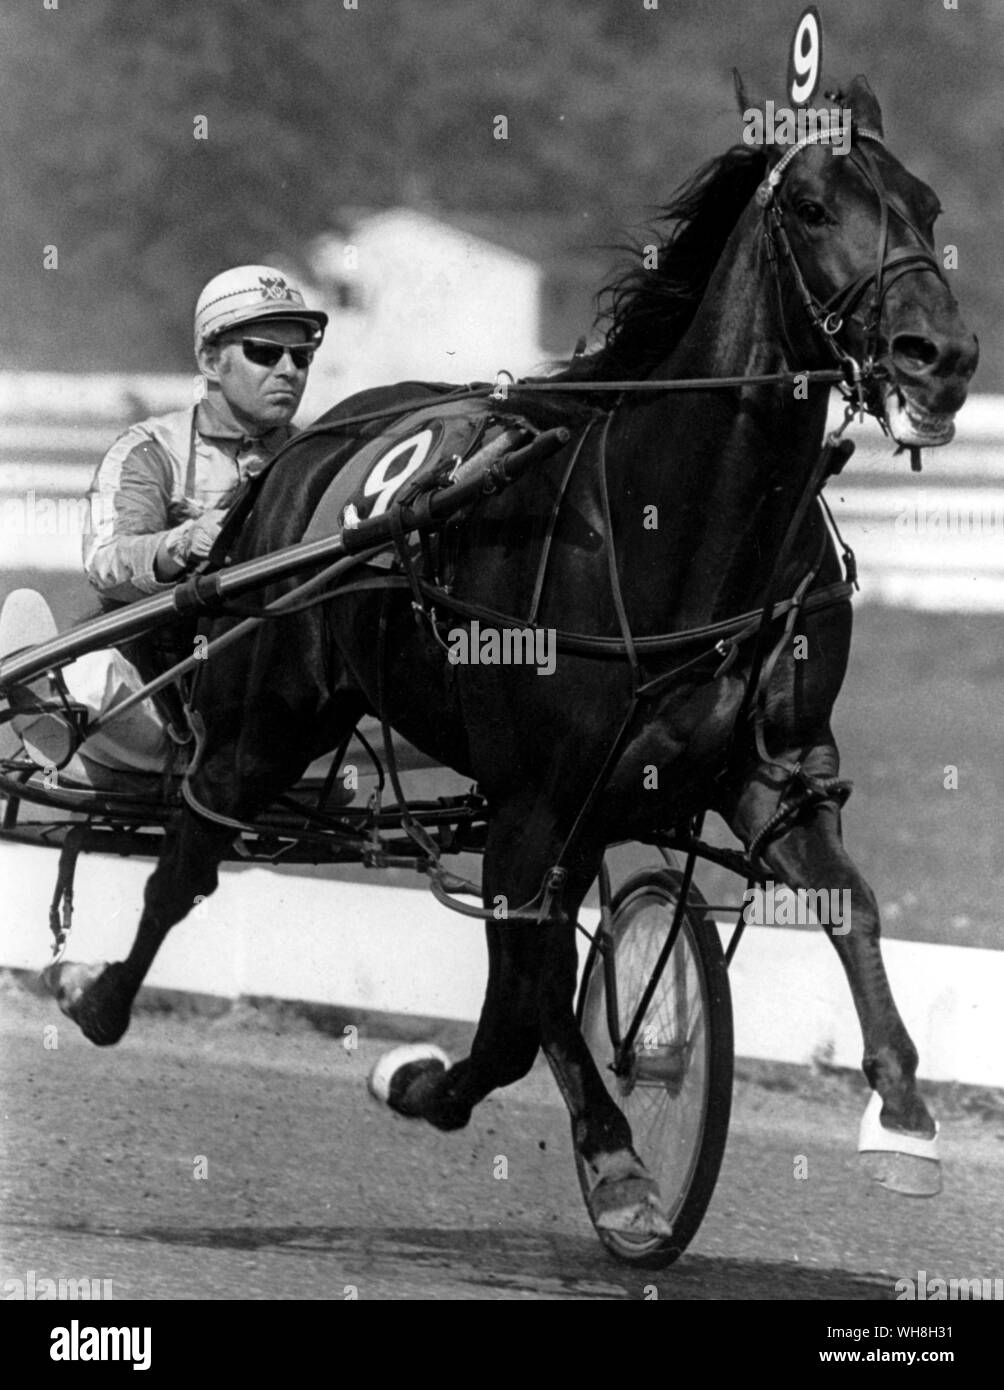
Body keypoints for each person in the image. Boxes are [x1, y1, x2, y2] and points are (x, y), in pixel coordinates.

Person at [0, 265, 328, 779]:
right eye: (265, 352)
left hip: (275, 692)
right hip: (156, 681)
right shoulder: (150, 451)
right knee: (94, 674)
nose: (289, 370)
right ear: (209, 359)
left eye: (302, 356)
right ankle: (59, 707)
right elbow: (106, 561)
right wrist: (179, 543)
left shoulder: (319, 458)